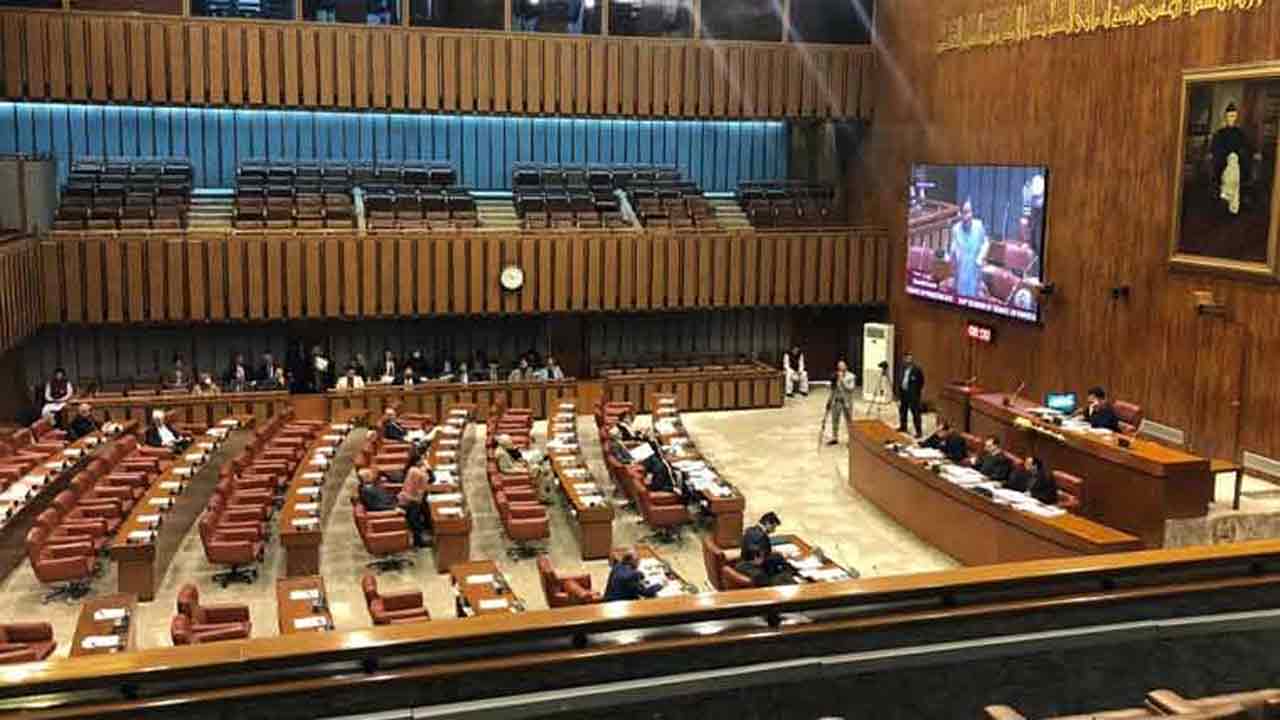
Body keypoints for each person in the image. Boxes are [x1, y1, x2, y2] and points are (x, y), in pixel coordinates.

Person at [1210, 102, 1253, 215]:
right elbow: (1216, 149)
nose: (1231, 118)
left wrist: (1237, 155)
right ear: (1225, 117)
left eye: (1233, 116)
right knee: (1226, 170)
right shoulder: (1220, 133)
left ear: (1236, 117)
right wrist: (1227, 156)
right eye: (1229, 116)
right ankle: (1224, 198)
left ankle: (1233, 204)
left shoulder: (1240, 134)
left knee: (1236, 168)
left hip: (1237, 163)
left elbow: (1246, 147)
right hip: (1223, 162)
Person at [494, 433, 554, 503]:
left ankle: (543, 491)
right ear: (505, 444)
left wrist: (520, 464)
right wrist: (521, 470)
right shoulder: (502, 454)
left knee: (540, 468)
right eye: (510, 442)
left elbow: (511, 463)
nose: (511, 443)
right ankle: (542, 495)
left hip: (516, 467)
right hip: (513, 473)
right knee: (538, 469)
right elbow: (505, 470)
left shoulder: (503, 449)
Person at [948, 199, 989, 299]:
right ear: (960, 214)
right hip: (961, 269)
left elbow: (986, 243)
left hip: (974, 267)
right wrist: (952, 258)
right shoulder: (956, 229)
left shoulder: (978, 226)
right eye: (965, 212)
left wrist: (980, 258)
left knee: (973, 299)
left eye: (970, 212)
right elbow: (953, 249)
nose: (968, 215)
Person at [740, 512, 790, 581]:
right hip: (756, 566)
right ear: (767, 523)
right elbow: (761, 556)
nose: (774, 531)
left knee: (778, 557)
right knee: (780, 561)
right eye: (773, 527)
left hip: (746, 560)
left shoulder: (750, 530)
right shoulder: (762, 536)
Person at [397, 464, 432, 547]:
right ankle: (419, 541)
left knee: (418, 516)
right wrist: (429, 470)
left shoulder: (412, 470)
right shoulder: (421, 475)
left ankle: (421, 536)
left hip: (406, 500)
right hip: (411, 501)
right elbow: (431, 480)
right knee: (415, 520)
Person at [824, 360, 857, 446]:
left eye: (842, 366)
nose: (841, 368)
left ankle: (851, 439)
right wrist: (829, 401)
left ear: (846, 366)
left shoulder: (851, 376)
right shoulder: (835, 376)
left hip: (846, 401)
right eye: (839, 366)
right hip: (836, 401)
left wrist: (842, 380)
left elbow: (851, 388)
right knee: (835, 419)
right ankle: (834, 437)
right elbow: (833, 390)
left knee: (849, 420)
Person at [896, 352, 925, 438]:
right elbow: (900, 379)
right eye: (906, 358)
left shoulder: (917, 369)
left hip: (913, 395)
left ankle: (919, 432)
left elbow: (921, 382)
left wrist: (916, 392)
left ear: (912, 359)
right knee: (903, 411)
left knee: (915, 413)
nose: (908, 360)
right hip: (903, 393)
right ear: (904, 359)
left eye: (910, 358)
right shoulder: (902, 368)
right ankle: (903, 427)